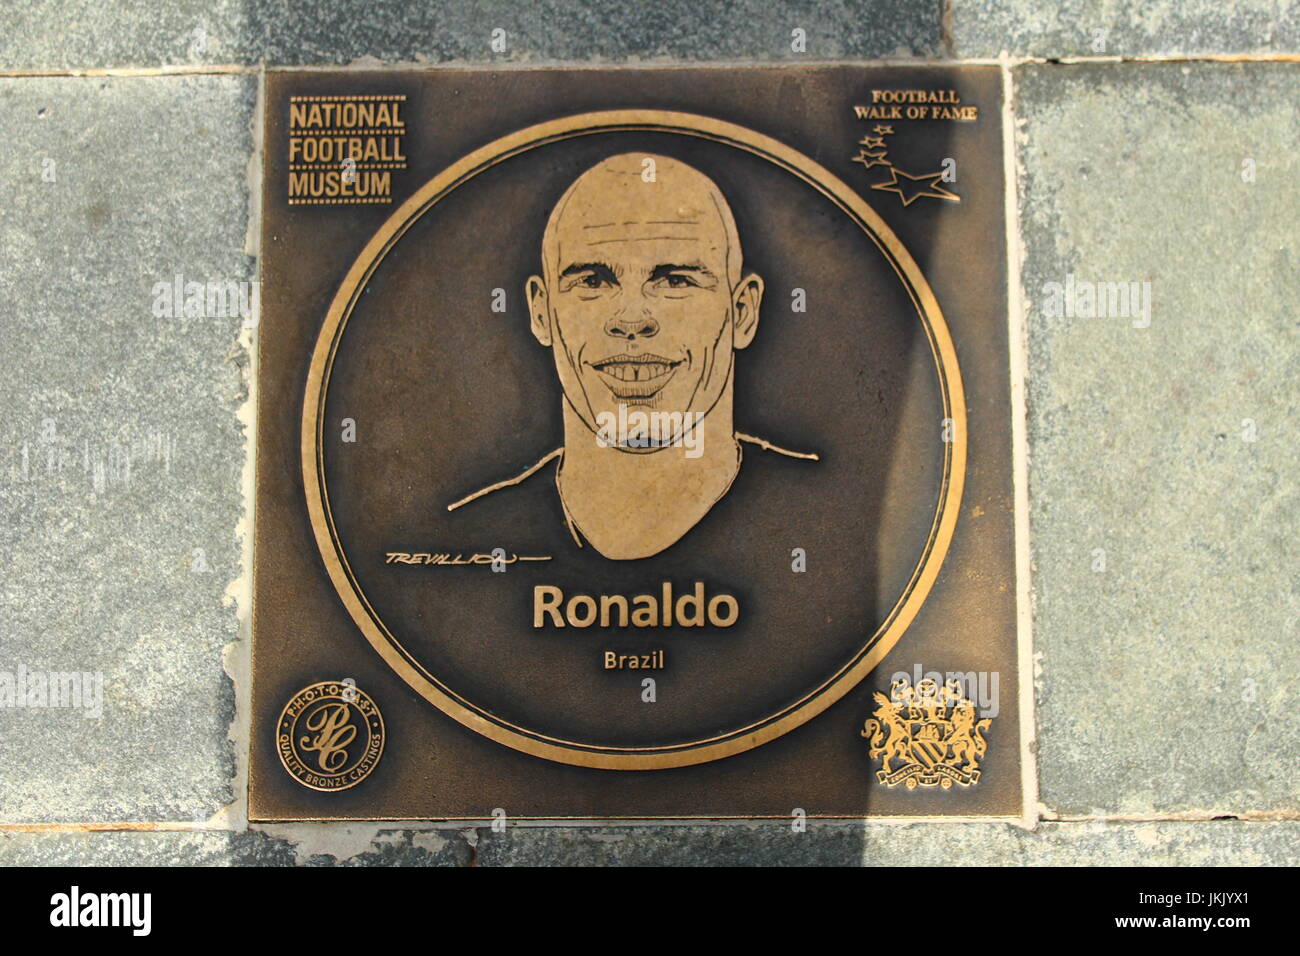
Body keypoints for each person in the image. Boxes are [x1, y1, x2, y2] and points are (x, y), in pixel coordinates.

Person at [448, 153, 816, 560]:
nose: (632, 319)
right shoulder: (464, 537)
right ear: (541, 313)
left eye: (675, 280)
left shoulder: (835, 519)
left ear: (743, 313)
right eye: (593, 281)